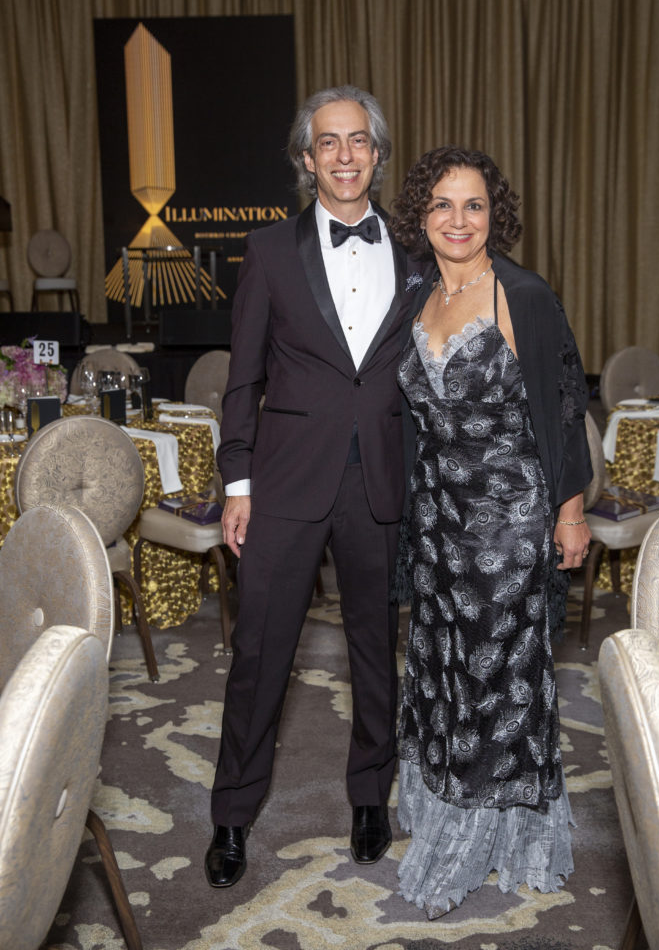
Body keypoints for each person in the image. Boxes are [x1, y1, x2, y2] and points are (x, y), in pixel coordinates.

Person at [205, 86, 427, 889]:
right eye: (327, 143)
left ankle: (370, 795)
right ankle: (231, 814)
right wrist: (237, 481)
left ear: (376, 153)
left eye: (358, 141)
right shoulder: (267, 252)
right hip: (284, 483)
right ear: (306, 159)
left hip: (381, 479)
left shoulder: (415, 253)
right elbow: (244, 379)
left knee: (376, 650)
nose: (343, 155)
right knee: (260, 654)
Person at [388, 146, 592, 917]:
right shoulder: (416, 297)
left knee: (496, 682)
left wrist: (569, 512)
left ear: (492, 214)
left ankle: (488, 842)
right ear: (421, 217)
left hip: (508, 526)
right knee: (441, 674)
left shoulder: (523, 296)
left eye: (472, 205)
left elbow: (566, 403)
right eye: (441, 204)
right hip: (438, 525)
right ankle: (446, 813)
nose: (457, 220)